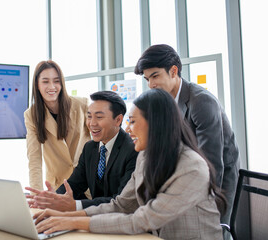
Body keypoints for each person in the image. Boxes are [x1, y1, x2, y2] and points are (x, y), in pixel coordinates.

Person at [32, 89, 225, 240]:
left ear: (155, 123)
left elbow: (143, 219)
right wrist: (65, 217)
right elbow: (121, 205)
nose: (127, 128)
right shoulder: (145, 156)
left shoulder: (192, 167)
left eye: (132, 121)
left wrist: (73, 222)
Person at [134, 44, 240, 227]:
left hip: (219, 181)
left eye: (155, 76)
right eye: (147, 79)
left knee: (211, 230)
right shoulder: (166, 102)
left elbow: (213, 162)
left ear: (173, 71)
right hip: (191, 174)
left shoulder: (201, 101)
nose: (151, 85)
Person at [26, 91, 138, 211]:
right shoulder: (90, 148)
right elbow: (74, 184)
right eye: (89, 116)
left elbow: (121, 200)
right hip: (95, 219)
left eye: (99, 117)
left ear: (118, 120)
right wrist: (54, 198)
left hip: (123, 221)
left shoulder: (133, 150)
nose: (92, 123)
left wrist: (76, 205)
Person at [24, 60, 91, 191]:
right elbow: (34, 159)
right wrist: (37, 196)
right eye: (45, 81)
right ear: (37, 84)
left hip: (86, 182)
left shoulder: (81, 105)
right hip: (58, 185)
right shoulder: (31, 115)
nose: (52, 86)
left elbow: (99, 141)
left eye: (56, 81)